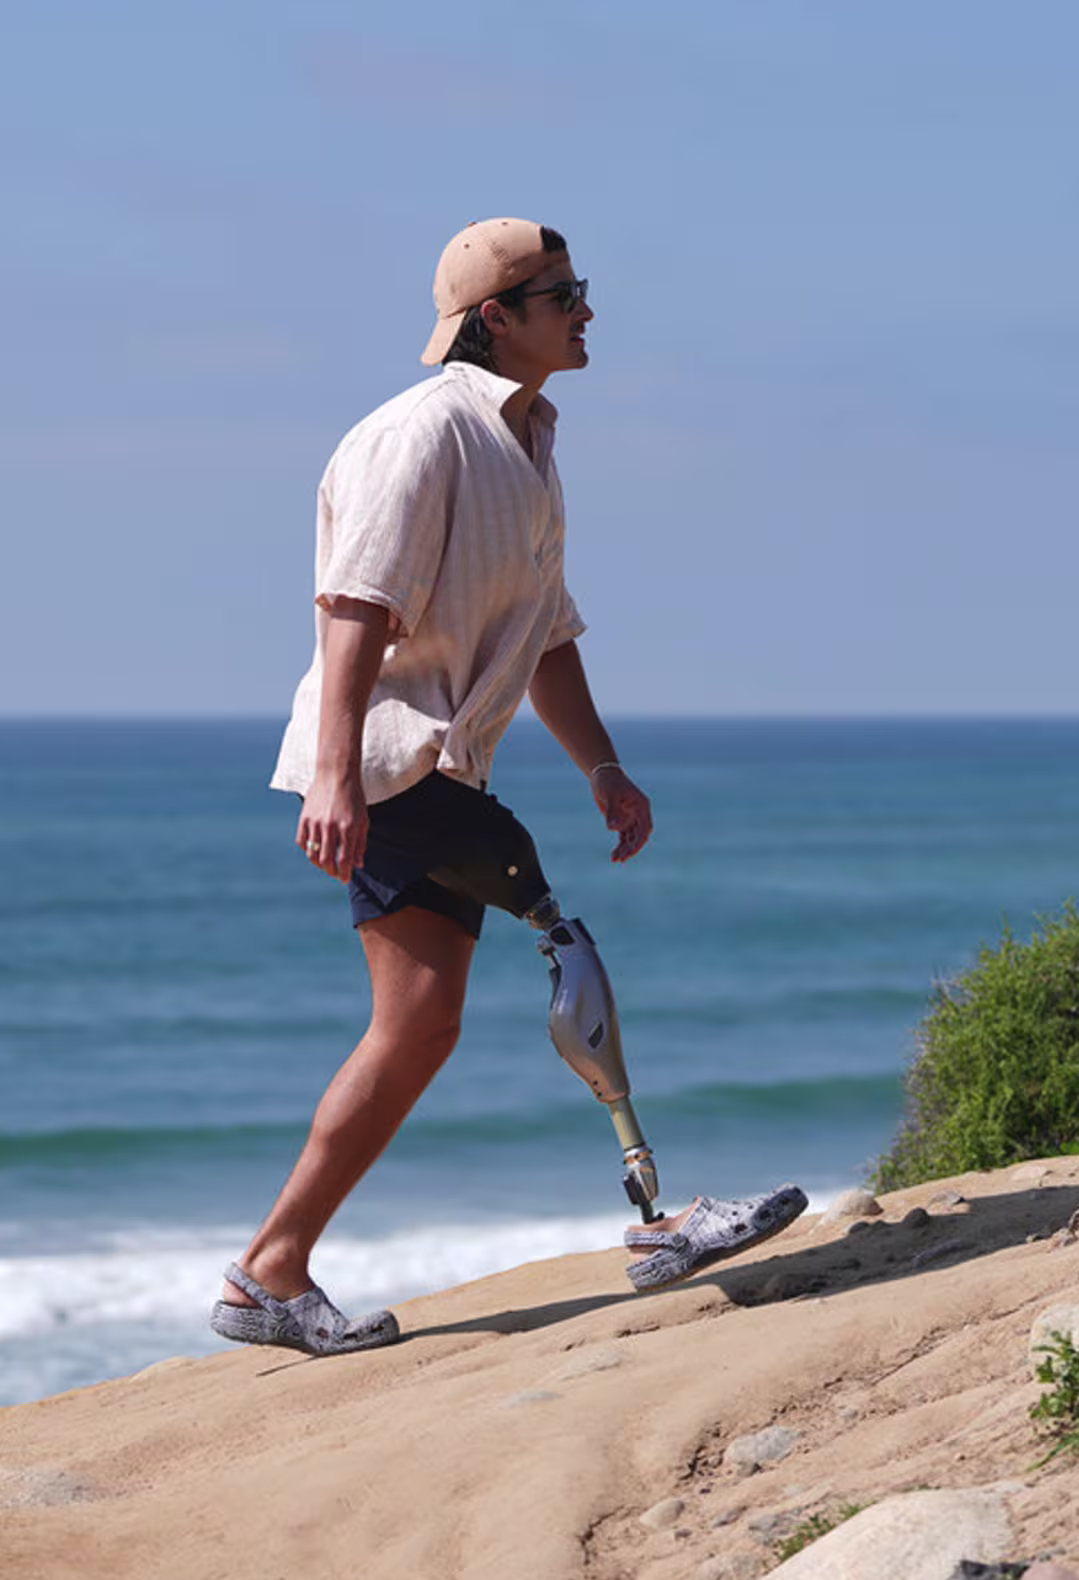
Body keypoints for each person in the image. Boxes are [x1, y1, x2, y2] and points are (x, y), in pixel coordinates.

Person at [211, 219, 805, 1356]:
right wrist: (333, 776)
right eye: (562, 293)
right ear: (498, 317)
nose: (585, 310)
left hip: (430, 763)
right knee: (558, 941)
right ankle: (657, 1218)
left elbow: (546, 635)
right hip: (391, 763)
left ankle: (268, 1273)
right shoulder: (420, 436)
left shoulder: (529, 440)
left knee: (420, 1026)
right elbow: (353, 611)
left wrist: (603, 765)